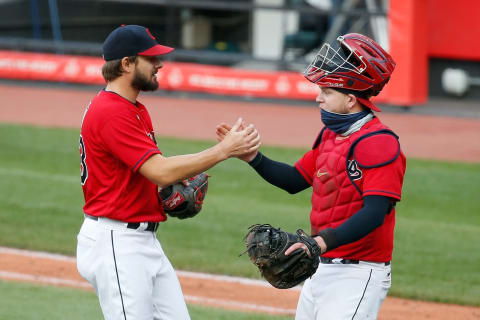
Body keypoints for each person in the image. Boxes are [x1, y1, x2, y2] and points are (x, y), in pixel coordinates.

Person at [76, 25, 260, 320]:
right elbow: (160, 171)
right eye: (151, 59)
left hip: (141, 241)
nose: (159, 64)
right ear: (126, 64)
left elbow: (153, 167)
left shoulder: (132, 108)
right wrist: (224, 150)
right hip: (117, 242)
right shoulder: (111, 111)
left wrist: (176, 178)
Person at [217, 33, 406, 320]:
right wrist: (252, 157)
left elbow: (375, 213)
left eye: (327, 92)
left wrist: (318, 242)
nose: (318, 98)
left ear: (351, 99)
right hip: (320, 267)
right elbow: (294, 180)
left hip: (357, 275)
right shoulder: (330, 136)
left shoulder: (379, 143)